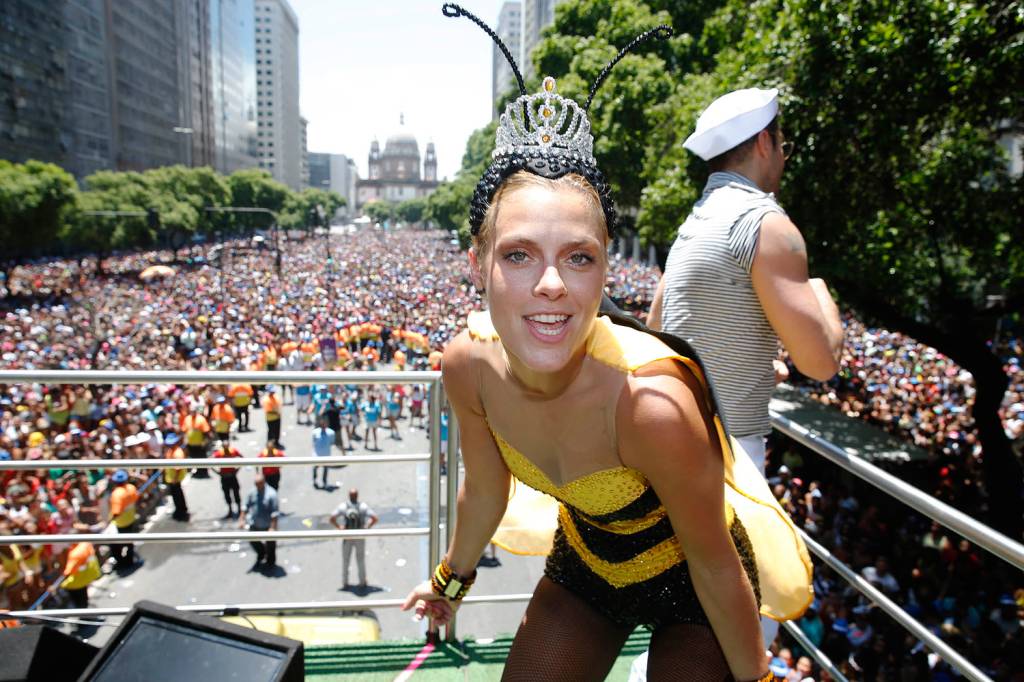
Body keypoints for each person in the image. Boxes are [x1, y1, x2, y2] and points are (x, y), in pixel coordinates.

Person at [401, 10, 808, 679]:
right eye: (520, 255)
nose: (552, 284)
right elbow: (486, 486)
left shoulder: (653, 405)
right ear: (478, 262)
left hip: (698, 591)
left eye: (580, 257)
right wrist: (449, 583)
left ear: (607, 269)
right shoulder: (465, 367)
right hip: (586, 564)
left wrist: (758, 676)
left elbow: (714, 563)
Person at [648, 86, 844, 474]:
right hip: (728, 462)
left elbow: (657, 330)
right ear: (764, 142)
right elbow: (821, 363)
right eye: (783, 147)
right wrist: (821, 294)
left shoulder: (694, 223)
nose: (783, 160)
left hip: (670, 446)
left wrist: (747, 366)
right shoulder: (765, 223)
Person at [330, 488, 378, 589]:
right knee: (360, 560)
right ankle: (362, 581)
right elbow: (374, 518)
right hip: (359, 536)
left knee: (346, 560)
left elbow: (332, 518)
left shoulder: (343, 507)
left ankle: (345, 582)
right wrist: (367, 527)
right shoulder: (363, 507)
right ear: (357, 496)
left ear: (349, 496)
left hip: (347, 537)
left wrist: (340, 527)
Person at [239, 473, 279, 570]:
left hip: (267, 525)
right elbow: (245, 506)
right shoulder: (252, 492)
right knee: (253, 540)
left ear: (264, 482)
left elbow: (274, 513)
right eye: (256, 484)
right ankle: (261, 553)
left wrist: (272, 528)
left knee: (271, 546)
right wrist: (241, 519)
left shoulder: (271, 494)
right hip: (255, 523)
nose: (258, 486)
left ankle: (270, 563)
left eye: (259, 483)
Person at [108, 469, 140, 571]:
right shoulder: (131, 488)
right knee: (129, 542)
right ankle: (129, 560)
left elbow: (116, 512)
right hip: (131, 518)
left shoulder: (117, 494)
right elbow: (136, 498)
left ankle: (123, 562)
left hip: (121, 523)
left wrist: (110, 521)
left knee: (117, 544)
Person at [162, 433, 190, 522]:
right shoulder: (170, 450)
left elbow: (178, 468)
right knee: (176, 495)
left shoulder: (177, 453)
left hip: (175, 479)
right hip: (171, 477)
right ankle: (180, 509)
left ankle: (181, 511)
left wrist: (175, 478)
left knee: (177, 495)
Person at [213, 440, 243, 518]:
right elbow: (210, 462)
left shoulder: (233, 451)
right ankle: (230, 510)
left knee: (236, 493)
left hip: (232, 476)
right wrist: (218, 473)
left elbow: (242, 458)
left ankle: (239, 510)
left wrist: (237, 469)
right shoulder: (219, 453)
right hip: (224, 477)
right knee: (227, 494)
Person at [180, 402, 211, 478]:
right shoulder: (187, 419)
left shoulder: (201, 419)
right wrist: (185, 439)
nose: (192, 412)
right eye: (191, 411)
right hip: (191, 444)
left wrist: (205, 441)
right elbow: (184, 431)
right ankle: (197, 471)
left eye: (194, 411)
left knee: (202, 458)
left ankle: (204, 472)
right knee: (194, 458)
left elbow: (206, 432)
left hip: (200, 444)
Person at [312, 417, 336, 489]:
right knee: (315, 468)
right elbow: (314, 441)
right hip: (317, 455)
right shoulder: (315, 432)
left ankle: (324, 482)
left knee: (325, 469)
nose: (323, 426)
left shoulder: (331, 432)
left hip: (326, 455)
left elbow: (332, 442)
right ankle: (314, 480)